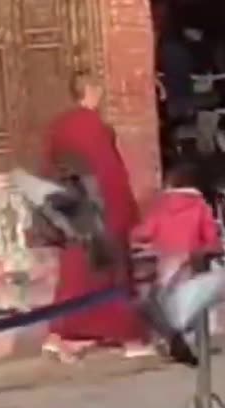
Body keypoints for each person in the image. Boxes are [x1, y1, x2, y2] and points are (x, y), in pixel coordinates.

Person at [42, 71, 150, 362]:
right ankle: (127, 337)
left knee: (73, 274)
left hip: (73, 211)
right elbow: (108, 173)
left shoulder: (60, 126)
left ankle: (58, 334)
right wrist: (126, 210)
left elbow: (52, 167)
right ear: (90, 91)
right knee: (111, 273)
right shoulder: (93, 126)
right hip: (100, 212)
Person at [130, 159, 219, 366]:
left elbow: (142, 233)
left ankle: (165, 338)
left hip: (165, 264)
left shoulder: (160, 208)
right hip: (190, 264)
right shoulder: (200, 207)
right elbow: (212, 239)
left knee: (158, 303)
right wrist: (211, 250)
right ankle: (194, 338)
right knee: (196, 302)